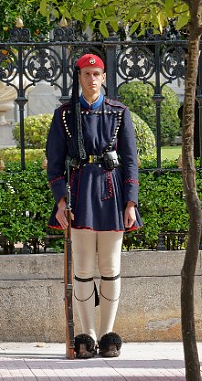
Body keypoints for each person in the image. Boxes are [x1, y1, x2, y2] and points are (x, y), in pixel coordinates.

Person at [46, 53, 142, 359]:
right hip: (80, 194)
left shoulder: (119, 113)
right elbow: (55, 163)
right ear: (79, 77)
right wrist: (61, 201)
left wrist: (131, 203)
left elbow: (130, 161)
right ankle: (85, 335)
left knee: (111, 268)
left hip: (112, 195)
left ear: (104, 77)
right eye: (86, 74)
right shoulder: (64, 115)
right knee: (84, 269)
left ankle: (107, 335)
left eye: (96, 73)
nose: (92, 79)